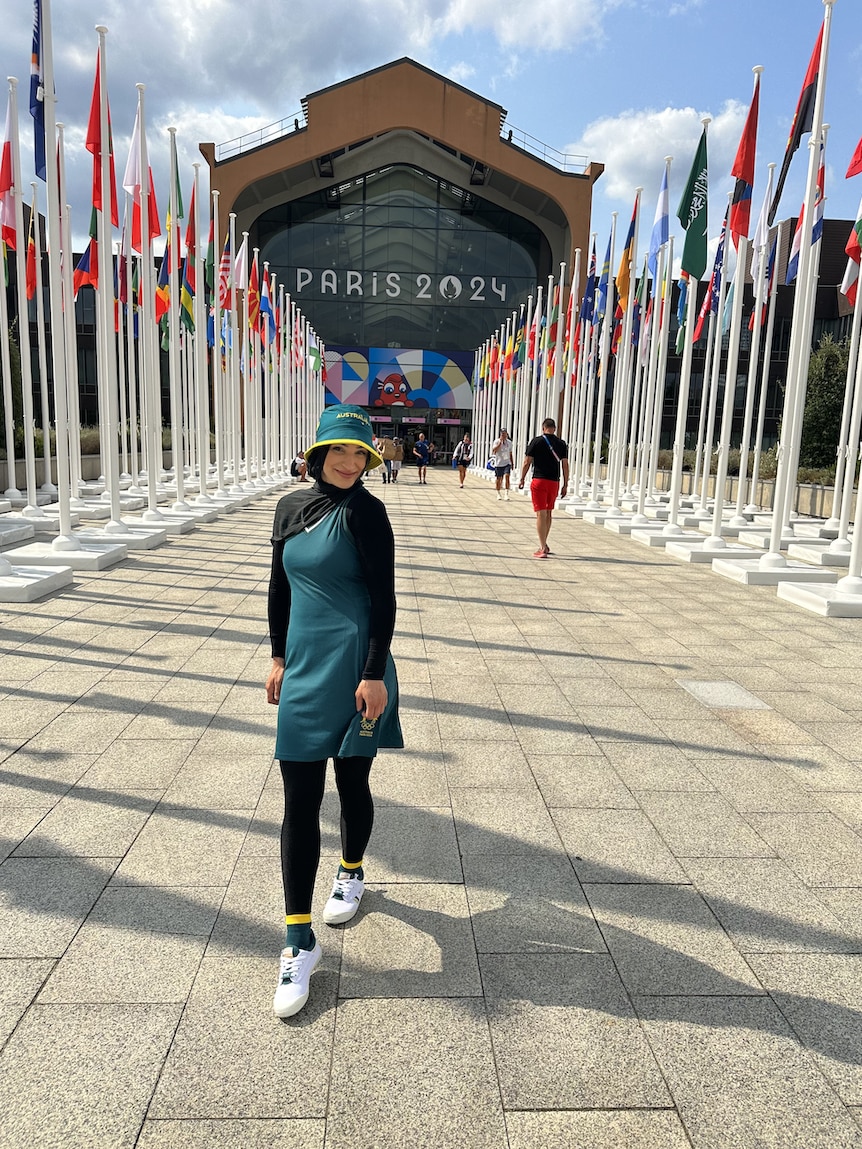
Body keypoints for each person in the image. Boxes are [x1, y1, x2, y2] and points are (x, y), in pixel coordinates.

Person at [266, 404, 403, 1018]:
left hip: (355, 668)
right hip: (302, 666)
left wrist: (374, 674)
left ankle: (351, 870)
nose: (350, 463)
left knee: (352, 779)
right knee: (298, 798)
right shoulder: (290, 508)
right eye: (340, 451)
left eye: (360, 454)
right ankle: (299, 940)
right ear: (319, 453)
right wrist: (276, 658)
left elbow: (384, 601)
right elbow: (278, 587)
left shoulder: (370, 514)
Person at [517, 417, 569, 558]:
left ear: (543, 427)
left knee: (541, 513)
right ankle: (544, 543)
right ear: (555, 429)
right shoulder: (561, 444)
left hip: (539, 480)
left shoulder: (536, 441)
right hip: (554, 482)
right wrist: (565, 484)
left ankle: (542, 547)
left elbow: (527, 461)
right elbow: (565, 465)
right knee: (549, 513)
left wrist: (522, 478)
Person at [491, 428, 514, 500]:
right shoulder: (496, 441)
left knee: (507, 476)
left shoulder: (509, 443)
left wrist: (512, 463)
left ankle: (506, 493)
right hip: (499, 463)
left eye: (504, 434)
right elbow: (494, 451)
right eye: (502, 434)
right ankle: (498, 493)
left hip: (507, 462)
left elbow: (510, 453)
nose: (503, 435)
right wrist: (500, 443)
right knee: (499, 478)